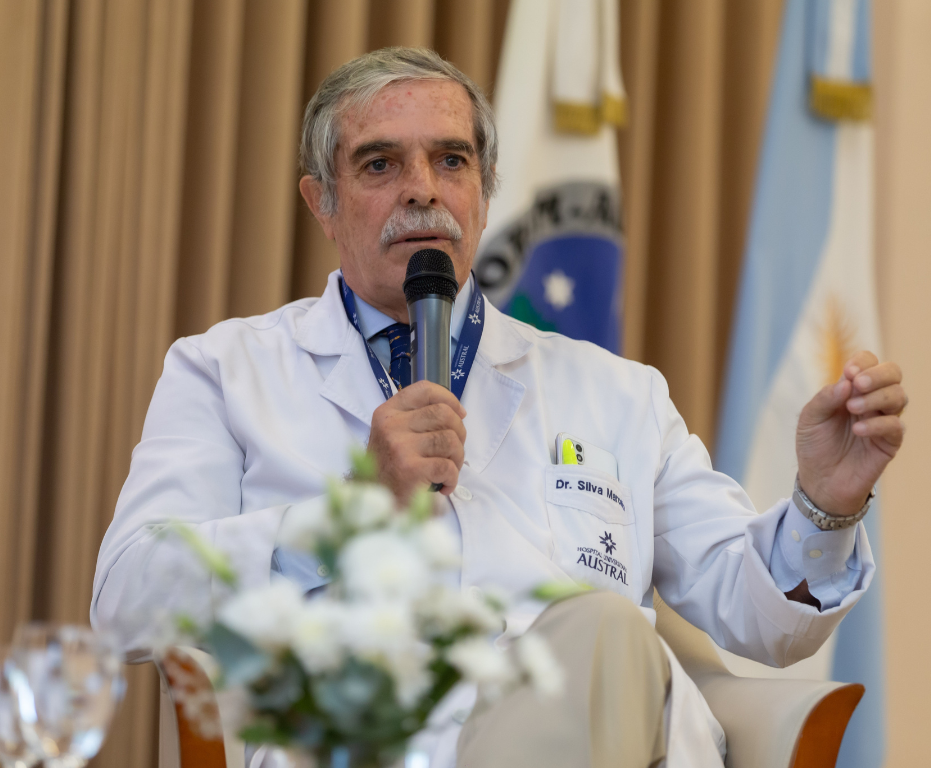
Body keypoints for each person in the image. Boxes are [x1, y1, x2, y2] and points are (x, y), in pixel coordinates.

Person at [92, 48, 907, 767]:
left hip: (597, 731)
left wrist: (824, 506)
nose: (422, 190)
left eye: (451, 160)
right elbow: (126, 603)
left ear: (484, 193)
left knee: (603, 631)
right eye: (380, 164)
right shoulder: (226, 370)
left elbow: (758, 616)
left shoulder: (617, 392)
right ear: (322, 202)